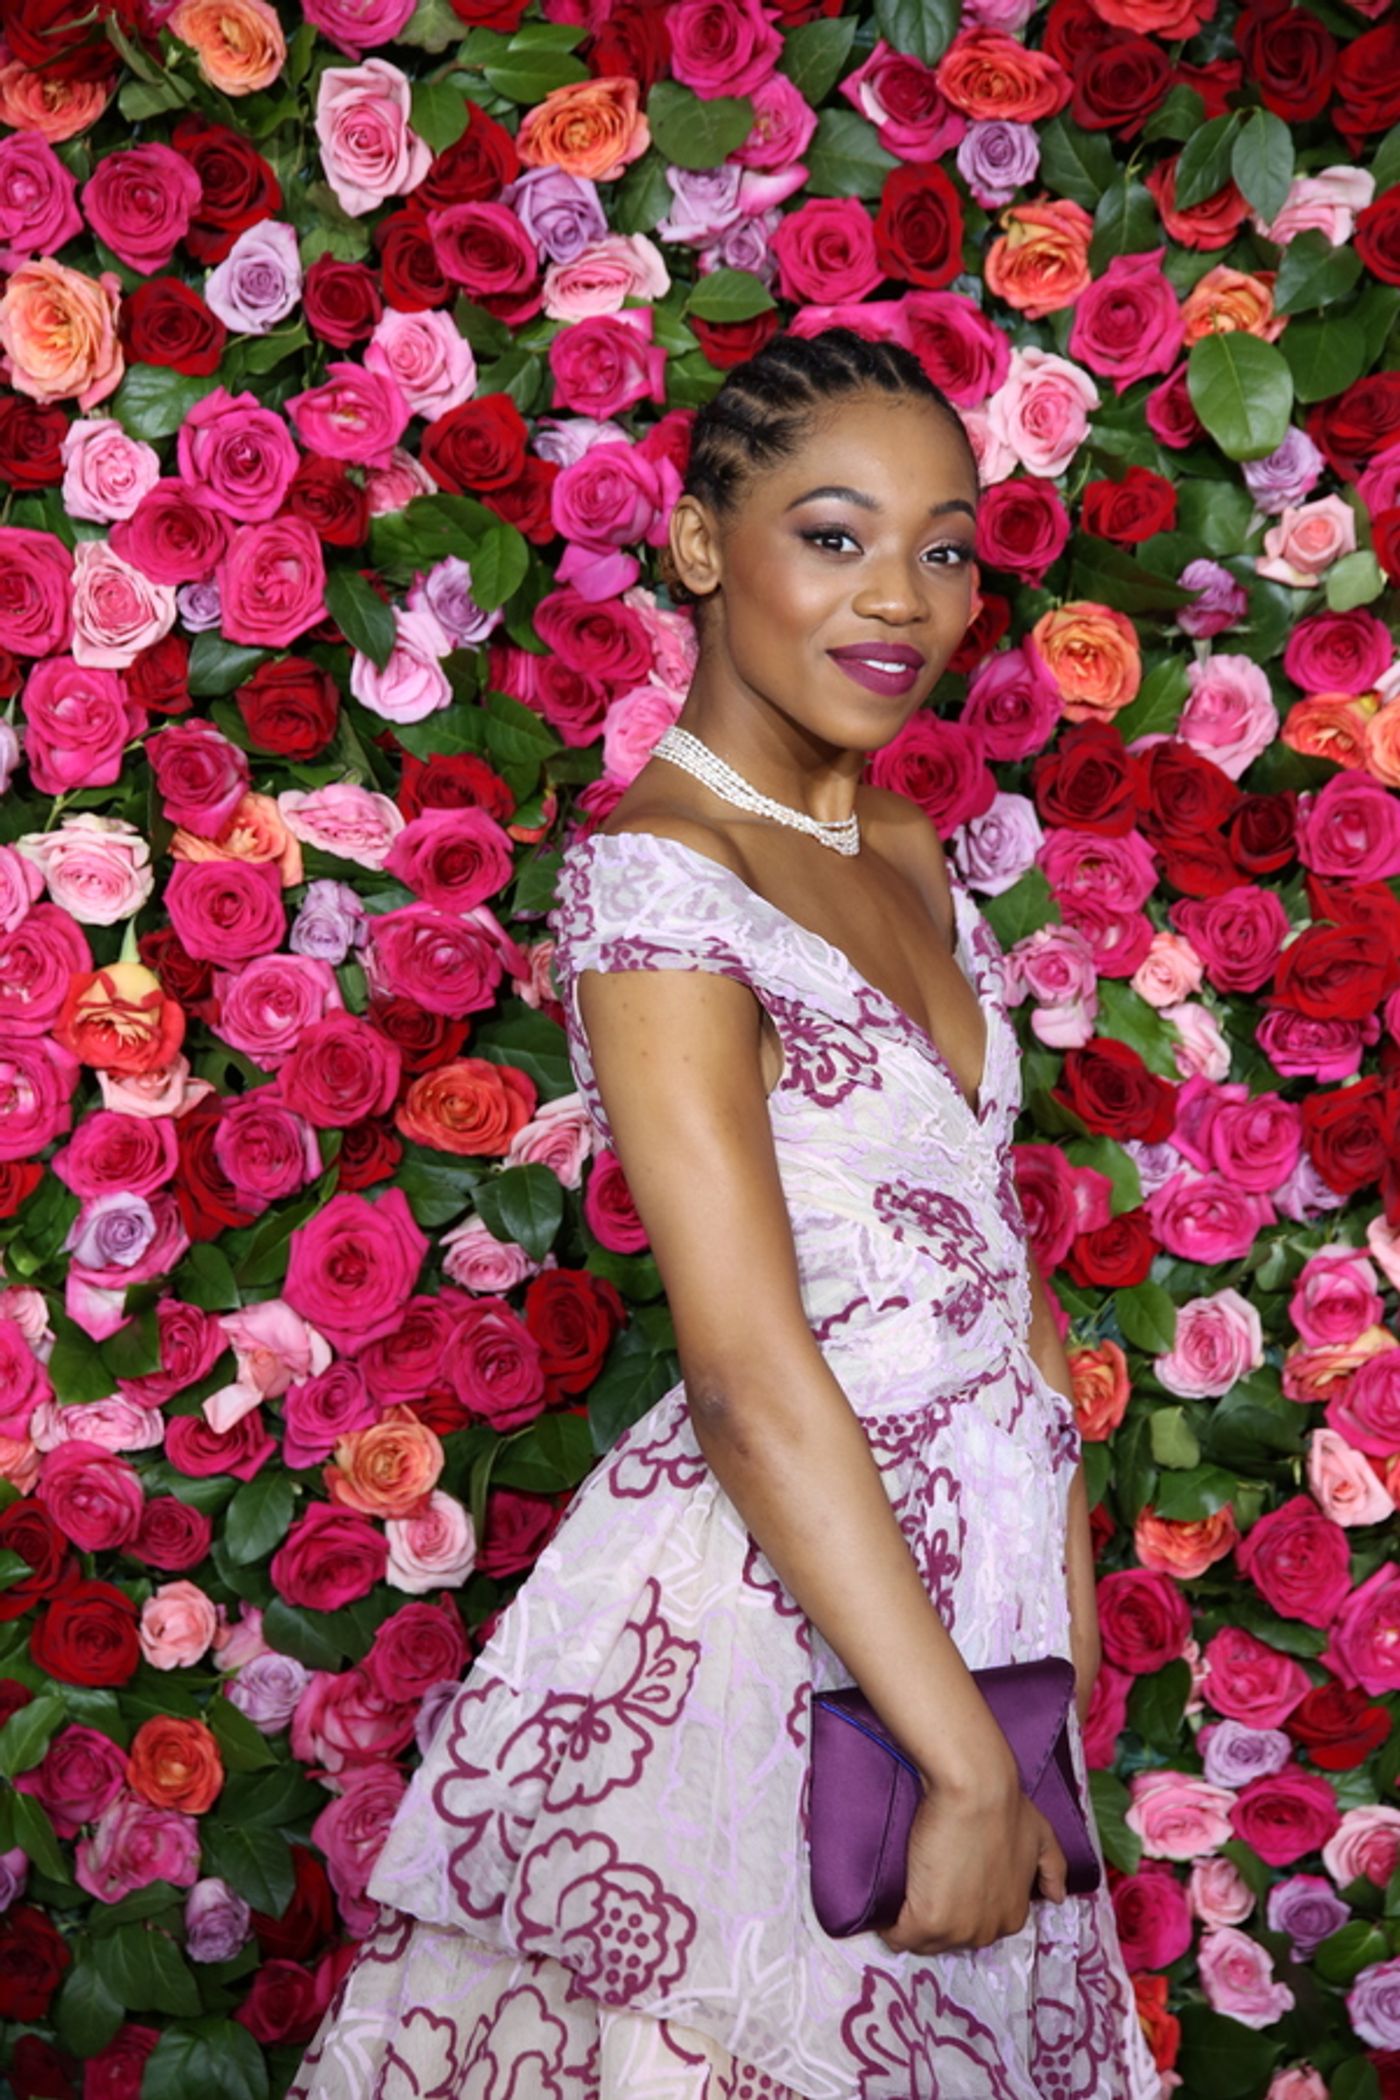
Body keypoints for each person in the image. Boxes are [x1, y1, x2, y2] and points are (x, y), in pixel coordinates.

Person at [290, 328, 1164, 2099]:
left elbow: (1006, 1296)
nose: (902, 600)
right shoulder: (661, 875)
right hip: (770, 1634)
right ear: (698, 547)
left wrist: (1045, 1697)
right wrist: (968, 1766)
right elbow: (751, 1369)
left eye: (942, 546)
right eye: (833, 537)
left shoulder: (906, 849)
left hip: (986, 1623)